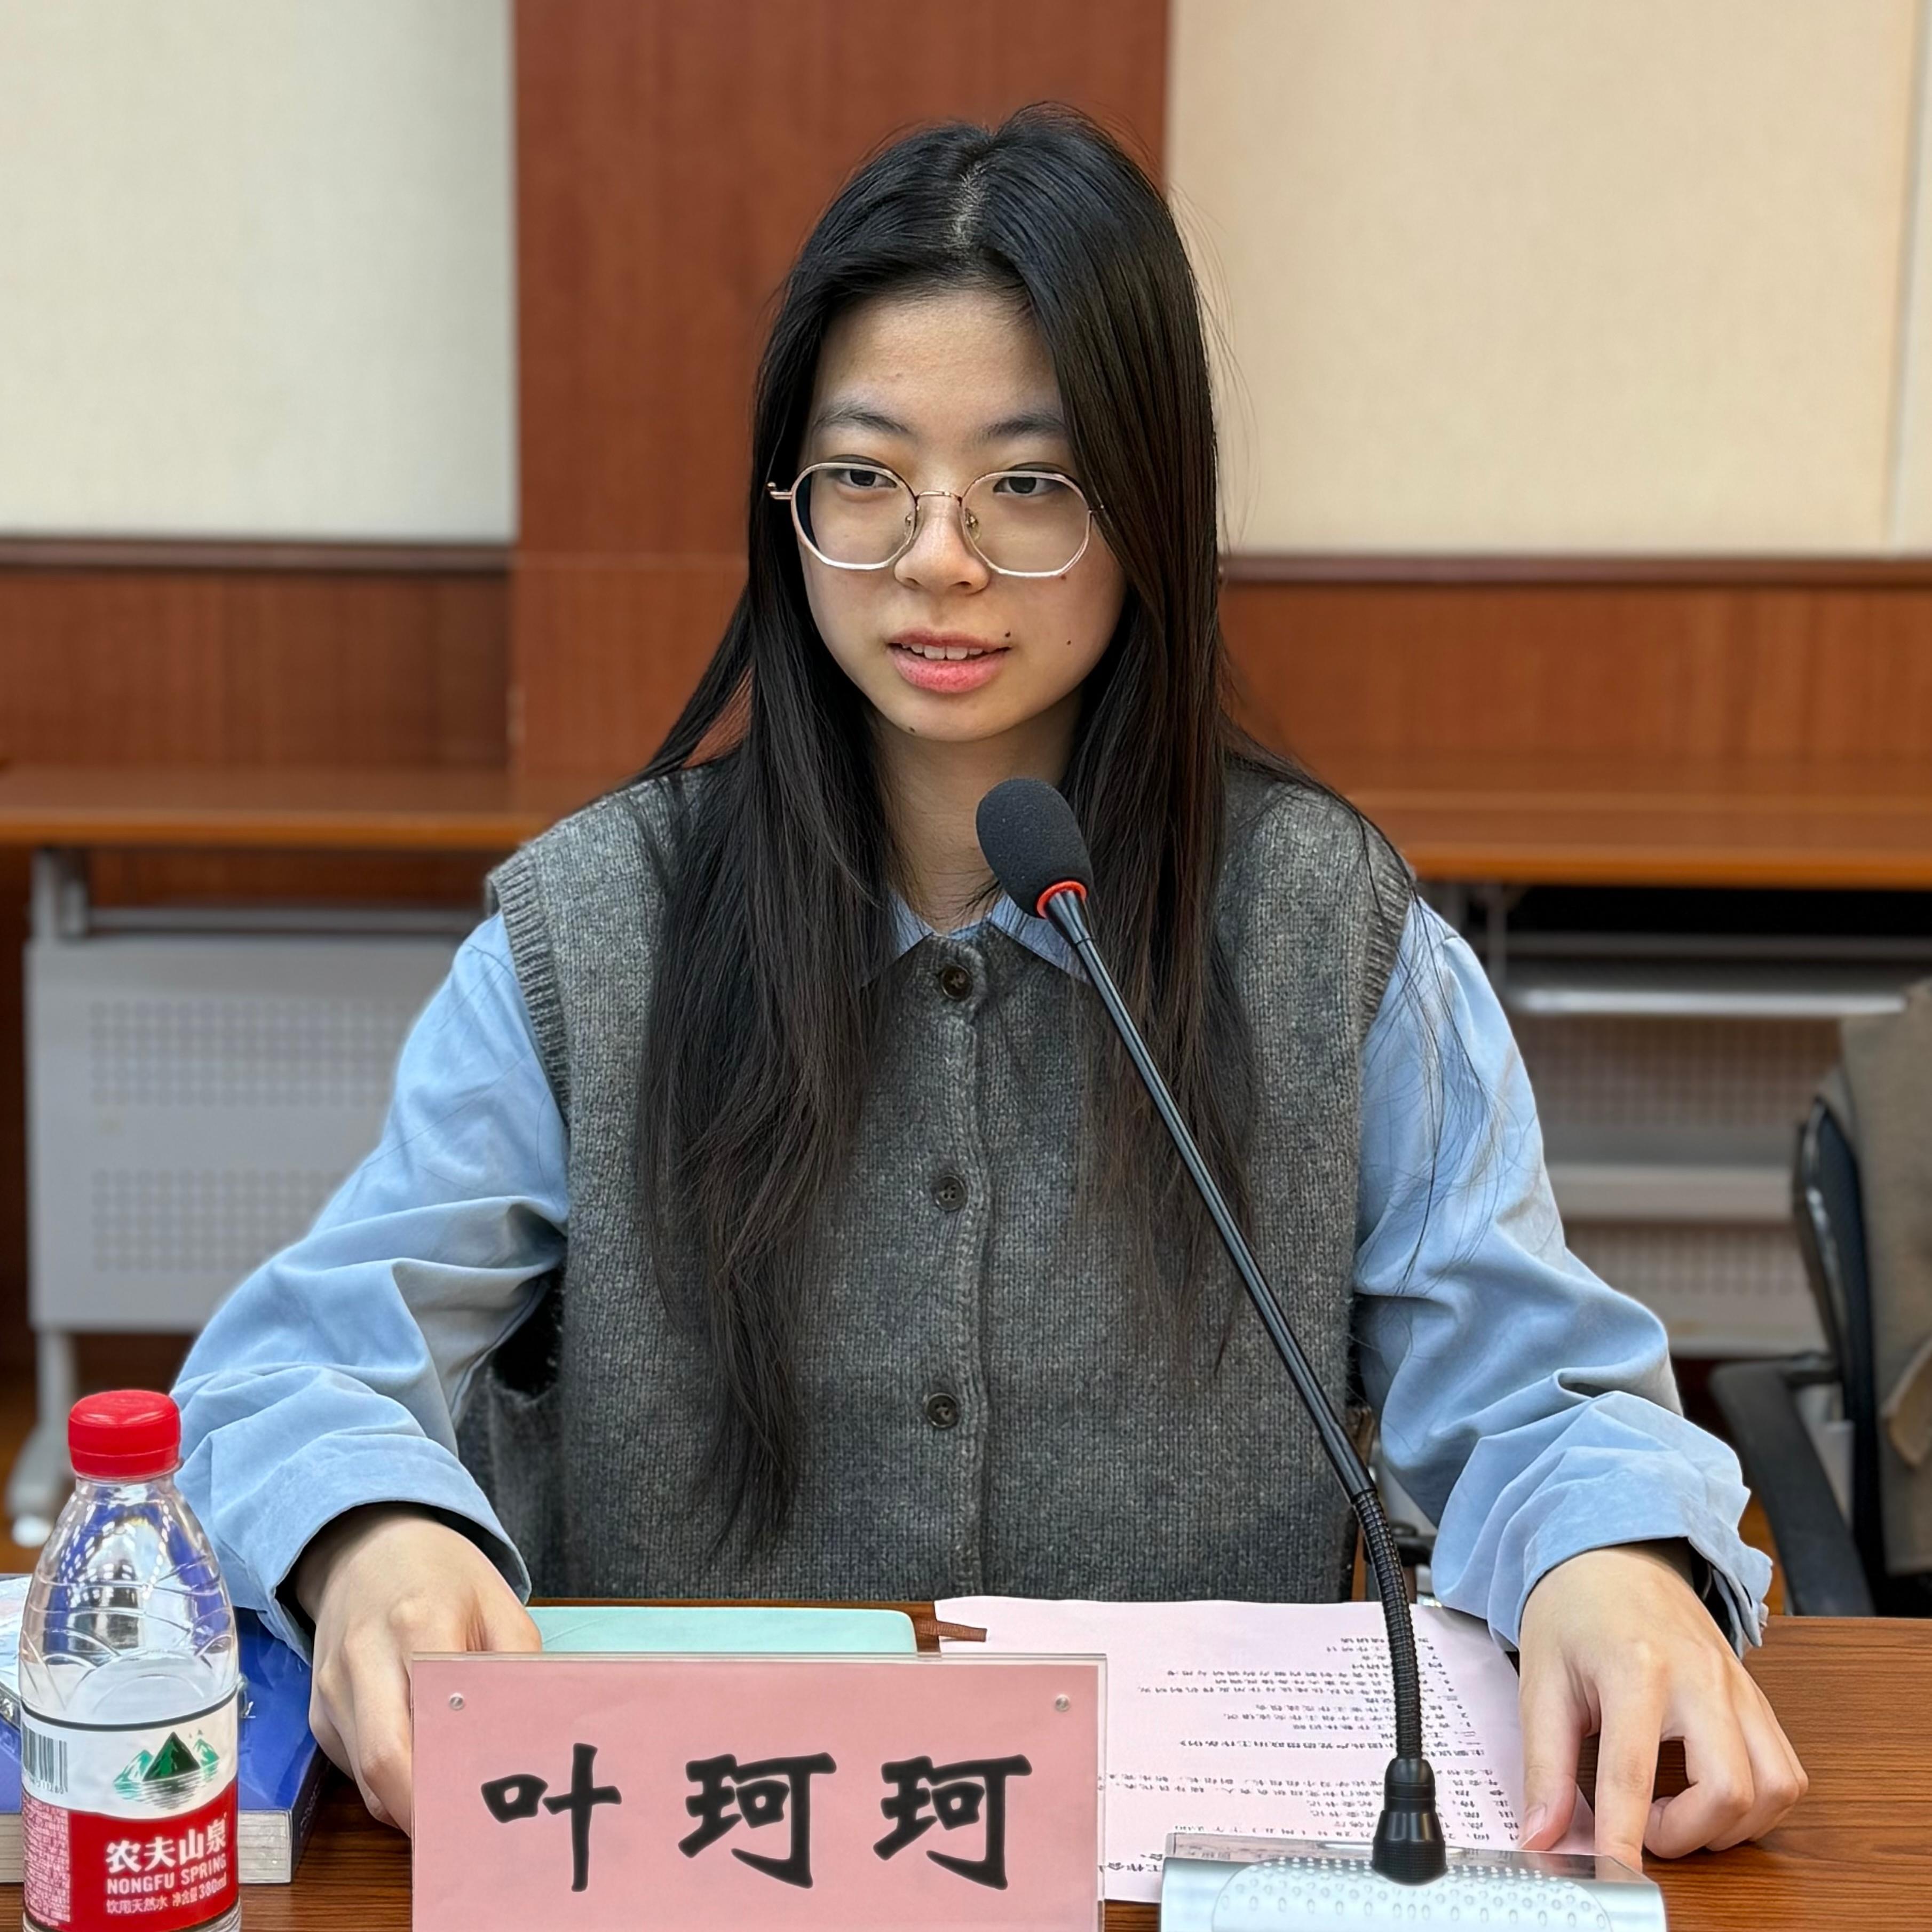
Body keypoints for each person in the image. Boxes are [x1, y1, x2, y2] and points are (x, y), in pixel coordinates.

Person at [173, 105, 1804, 1863]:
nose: (935, 557)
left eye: (1028, 483)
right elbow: (292, 1374)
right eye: (865, 477)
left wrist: (1610, 1558)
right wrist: (373, 1534)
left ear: (1147, 508)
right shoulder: (592, 931)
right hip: (692, 1856)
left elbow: (1537, 1403)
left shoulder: (1331, 936)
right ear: (789, 508)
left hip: (1160, 1876)